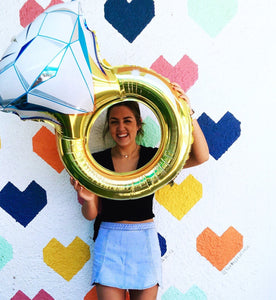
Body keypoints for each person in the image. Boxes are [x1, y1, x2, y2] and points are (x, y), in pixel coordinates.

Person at [70, 87, 209, 300]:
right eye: (114, 121)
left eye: (127, 120)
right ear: (108, 126)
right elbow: (90, 214)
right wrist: (88, 200)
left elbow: (201, 156)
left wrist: (188, 112)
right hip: (109, 243)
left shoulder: (154, 159)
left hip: (144, 243)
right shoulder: (96, 162)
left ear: (138, 124)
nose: (121, 127)